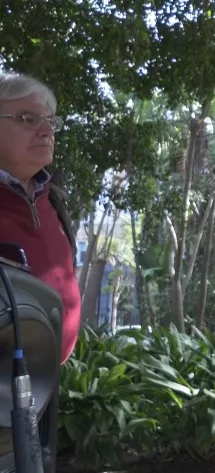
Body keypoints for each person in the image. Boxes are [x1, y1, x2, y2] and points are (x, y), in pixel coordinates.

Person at [0, 72, 80, 363]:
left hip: (44, 380)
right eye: (28, 119)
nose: (47, 131)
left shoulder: (51, 196)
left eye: (50, 122)